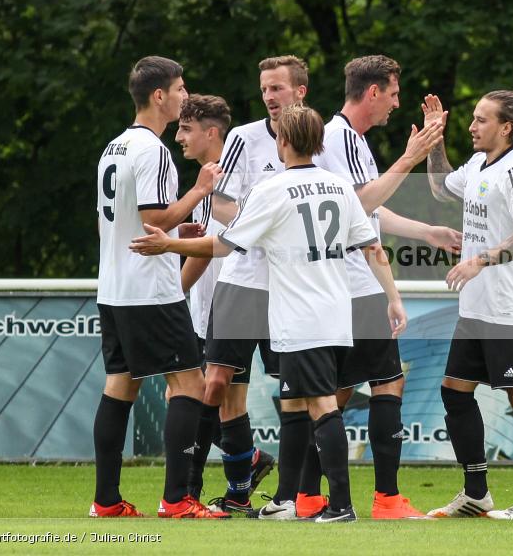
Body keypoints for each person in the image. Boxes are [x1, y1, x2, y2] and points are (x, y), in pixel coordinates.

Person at [131, 104, 407, 523]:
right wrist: (393, 298)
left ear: (282, 142)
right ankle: (292, 500)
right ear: (319, 142)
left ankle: (340, 506)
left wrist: (169, 245)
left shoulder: (272, 190)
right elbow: (372, 247)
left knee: (321, 407)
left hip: (298, 315)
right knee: (301, 402)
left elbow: (225, 244)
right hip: (337, 312)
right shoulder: (338, 186)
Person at [302, 55, 454, 519]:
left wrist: (425, 231)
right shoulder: (341, 138)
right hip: (352, 281)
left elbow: (369, 206)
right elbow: (358, 205)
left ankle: (307, 494)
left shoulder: (348, 139)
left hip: (340, 284)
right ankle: (386, 498)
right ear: (372, 92)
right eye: (392, 93)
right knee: (388, 382)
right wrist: (409, 158)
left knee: (338, 393)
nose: (396, 103)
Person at [92, 56, 227, 518]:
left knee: (120, 386)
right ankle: (177, 500)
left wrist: (175, 234)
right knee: (188, 382)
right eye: (180, 89)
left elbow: (119, 224)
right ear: (159, 96)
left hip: (113, 287)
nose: (185, 96)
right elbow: (152, 218)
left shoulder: (114, 147)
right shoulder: (153, 150)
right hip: (150, 290)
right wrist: (200, 189)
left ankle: (106, 501)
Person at [187, 56, 309, 514]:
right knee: (217, 383)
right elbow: (218, 202)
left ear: (300, 91)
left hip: (292, 288)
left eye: (277, 88)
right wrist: (258, 228)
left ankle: (290, 496)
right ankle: (193, 492)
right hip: (242, 282)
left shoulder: (320, 139)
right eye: (264, 89)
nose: (269, 97)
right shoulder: (243, 138)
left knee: (296, 391)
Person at [425, 89, 513, 520]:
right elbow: (442, 188)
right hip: (476, 309)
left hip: (512, 309)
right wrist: (433, 137)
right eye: (472, 119)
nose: (472, 126)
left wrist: (480, 259)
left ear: (506, 128)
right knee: (454, 391)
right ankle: (476, 493)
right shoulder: (480, 163)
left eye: (480, 120)